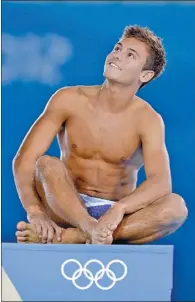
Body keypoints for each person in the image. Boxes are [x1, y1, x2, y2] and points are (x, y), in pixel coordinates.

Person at [14, 25, 188, 245]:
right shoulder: (68, 99)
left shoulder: (149, 120)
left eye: (130, 55)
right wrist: (34, 212)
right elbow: (25, 160)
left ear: (145, 75)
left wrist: (120, 208)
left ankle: (70, 237)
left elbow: (160, 183)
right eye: (117, 48)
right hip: (64, 206)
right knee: (47, 164)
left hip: (113, 217)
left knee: (175, 207)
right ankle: (87, 230)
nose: (117, 56)